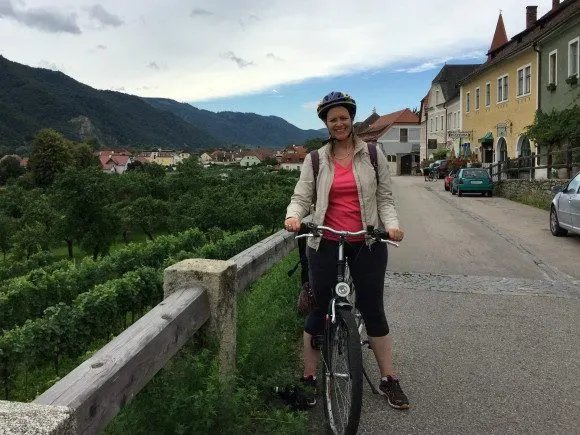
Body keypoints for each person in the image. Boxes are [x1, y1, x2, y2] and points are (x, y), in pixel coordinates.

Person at [284, 91, 409, 410]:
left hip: (366, 241)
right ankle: (309, 379)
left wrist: (391, 225)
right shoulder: (315, 159)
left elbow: (385, 199)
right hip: (325, 240)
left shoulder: (372, 154)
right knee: (319, 309)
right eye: (332, 119)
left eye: (343, 117)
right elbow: (302, 196)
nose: (338, 123)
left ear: (351, 118)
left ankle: (388, 379)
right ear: (326, 124)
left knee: (372, 309)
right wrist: (294, 215)